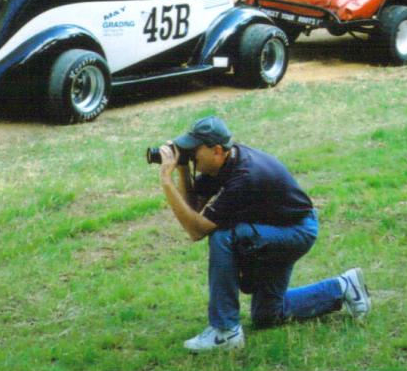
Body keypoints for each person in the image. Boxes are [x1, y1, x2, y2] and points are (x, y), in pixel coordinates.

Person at [156, 115, 369, 353]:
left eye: (194, 149)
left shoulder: (245, 176)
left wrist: (166, 181)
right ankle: (344, 287)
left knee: (223, 237)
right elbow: (193, 208)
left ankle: (225, 331)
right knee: (267, 315)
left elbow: (197, 230)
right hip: (278, 227)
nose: (191, 153)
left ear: (216, 150)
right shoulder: (223, 162)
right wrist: (183, 167)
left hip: (296, 231)